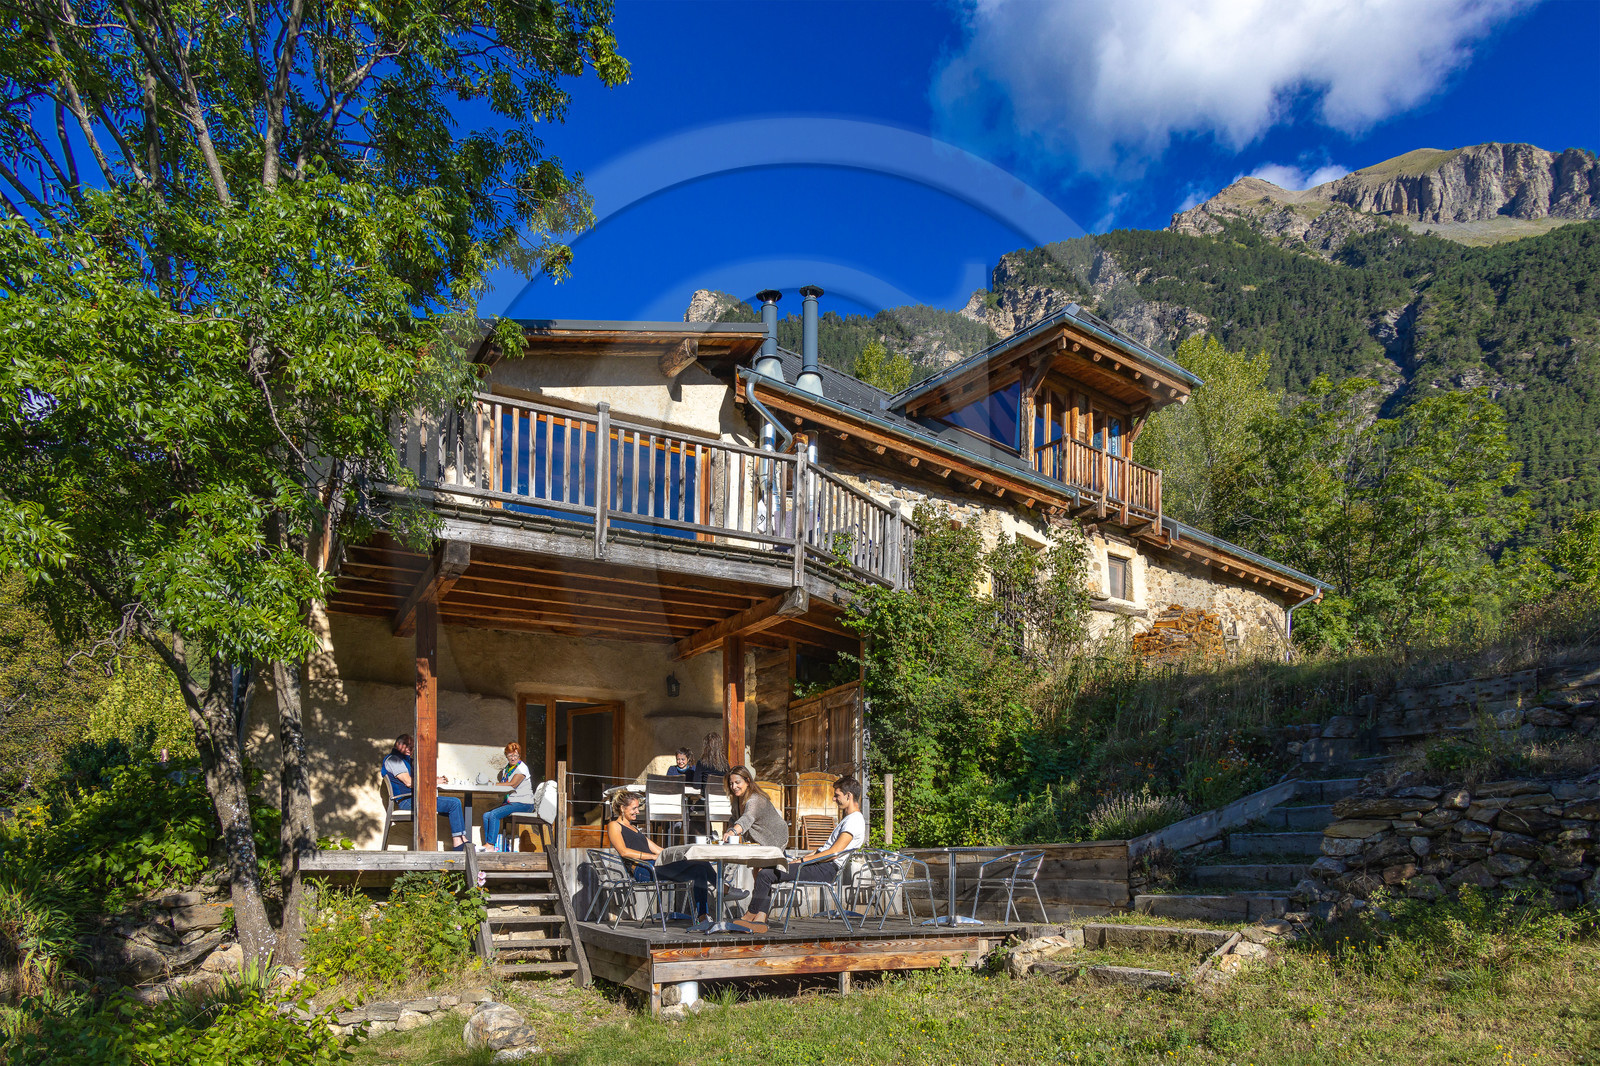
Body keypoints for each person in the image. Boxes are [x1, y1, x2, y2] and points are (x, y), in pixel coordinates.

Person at [733, 774, 864, 934]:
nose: (834, 799)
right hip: (821, 864)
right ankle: (760, 920)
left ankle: (750, 915)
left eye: (837, 795)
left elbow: (833, 853)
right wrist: (799, 860)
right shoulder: (848, 819)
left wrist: (802, 861)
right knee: (764, 870)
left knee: (766, 874)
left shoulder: (854, 821)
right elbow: (823, 850)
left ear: (848, 796)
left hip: (826, 869)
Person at [604, 792, 740, 928]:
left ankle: (703, 917)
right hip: (643, 869)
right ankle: (723, 888)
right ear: (622, 808)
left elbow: (659, 851)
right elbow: (623, 851)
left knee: (699, 867)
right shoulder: (614, 825)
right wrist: (652, 857)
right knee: (699, 865)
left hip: (655, 866)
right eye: (634, 808)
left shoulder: (634, 829)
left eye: (638, 808)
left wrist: (681, 855)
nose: (637, 811)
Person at [382, 733, 468, 851]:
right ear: (398, 744)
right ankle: (458, 843)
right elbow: (409, 782)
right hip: (407, 801)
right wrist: (433, 782)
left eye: (412, 747)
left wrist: (436, 779)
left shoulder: (406, 761)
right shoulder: (394, 760)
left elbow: (422, 778)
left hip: (416, 799)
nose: (411, 749)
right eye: (408, 746)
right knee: (454, 803)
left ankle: (462, 838)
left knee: (452, 805)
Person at [480, 742, 537, 852]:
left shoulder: (521, 768)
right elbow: (503, 784)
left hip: (524, 803)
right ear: (506, 756)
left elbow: (512, 784)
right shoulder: (507, 769)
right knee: (486, 815)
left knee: (494, 814)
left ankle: (491, 845)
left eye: (515, 755)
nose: (513, 758)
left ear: (519, 755)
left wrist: (492, 785)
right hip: (512, 802)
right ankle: (488, 845)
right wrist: (490, 783)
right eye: (510, 756)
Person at [721, 766, 788, 848]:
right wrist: (728, 834)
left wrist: (732, 832)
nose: (734, 787)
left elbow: (747, 818)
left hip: (774, 837)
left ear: (748, 781)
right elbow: (734, 819)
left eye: (737, 782)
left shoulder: (756, 799)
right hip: (757, 839)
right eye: (731, 783)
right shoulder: (736, 799)